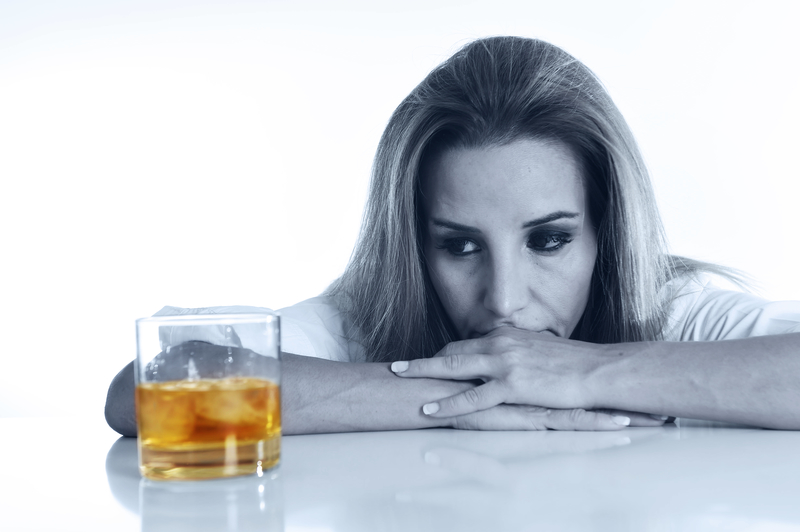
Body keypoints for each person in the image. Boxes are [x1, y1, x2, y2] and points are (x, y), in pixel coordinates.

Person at [105, 36, 800, 436]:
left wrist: (587, 374)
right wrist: (471, 396)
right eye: (460, 246)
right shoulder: (365, 320)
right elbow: (143, 393)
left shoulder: (672, 312)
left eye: (549, 241)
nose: (504, 300)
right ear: (415, 245)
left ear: (608, 235)